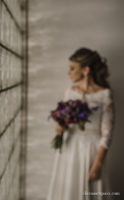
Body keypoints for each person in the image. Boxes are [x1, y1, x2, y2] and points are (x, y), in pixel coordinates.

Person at [46, 47, 115, 200]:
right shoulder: (70, 92)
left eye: (72, 68)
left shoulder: (105, 94)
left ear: (86, 70)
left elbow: (107, 133)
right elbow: (63, 122)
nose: (68, 73)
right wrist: (60, 128)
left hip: (91, 150)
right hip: (70, 147)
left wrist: (98, 164)